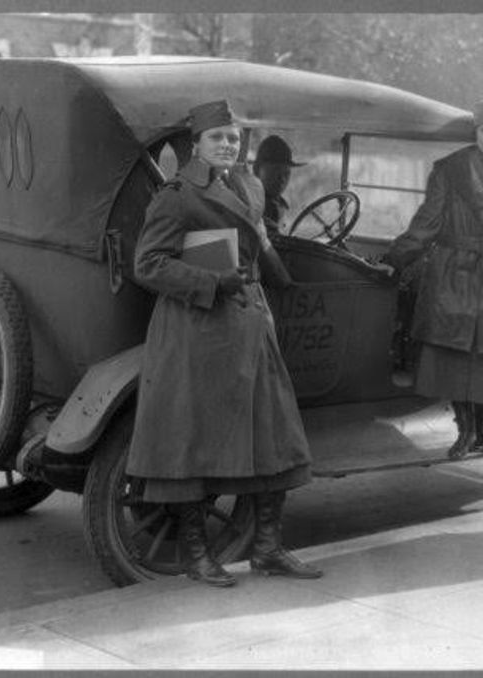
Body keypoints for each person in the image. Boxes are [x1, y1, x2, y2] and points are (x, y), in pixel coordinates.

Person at [126, 100, 322, 586]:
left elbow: (260, 240)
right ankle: (197, 557)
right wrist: (214, 283)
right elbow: (148, 265)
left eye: (233, 138)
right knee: (196, 445)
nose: (227, 145)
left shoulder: (247, 186)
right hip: (199, 329)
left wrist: (282, 281)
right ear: (197, 145)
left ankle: (268, 549)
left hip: (250, 322)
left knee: (276, 435)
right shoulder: (176, 195)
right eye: (218, 138)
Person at [377, 96, 483, 460]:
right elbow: (427, 224)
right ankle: (464, 430)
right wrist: (395, 258)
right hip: (453, 273)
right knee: (455, 359)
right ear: (476, 132)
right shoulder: (447, 170)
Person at [252, 134, 306, 236]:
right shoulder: (251, 204)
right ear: (256, 170)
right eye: (275, 171)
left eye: (286, 173)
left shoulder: (278, 204)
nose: (282, 178)